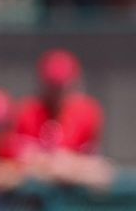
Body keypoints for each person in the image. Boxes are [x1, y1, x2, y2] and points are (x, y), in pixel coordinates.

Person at [14, 49, 114, 188]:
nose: (57, 92)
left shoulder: (87, 113)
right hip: (31, 199)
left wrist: (61, 164)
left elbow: (97, 169)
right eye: (53, 86)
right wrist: (59, 165)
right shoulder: (27, 112)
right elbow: (19, 163)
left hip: (74, 198)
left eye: (61, 86)